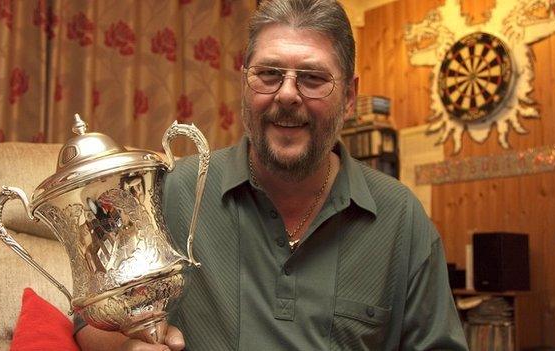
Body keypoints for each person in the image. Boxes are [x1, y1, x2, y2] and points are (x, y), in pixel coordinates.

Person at [75, 0, 469, 350]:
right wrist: (127, 348)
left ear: (349, 98)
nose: (287, 94)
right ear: (245, 82)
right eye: (269, 74)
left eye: (313, 78)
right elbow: (89, 324)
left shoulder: (401, 218)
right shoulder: (172, 191)